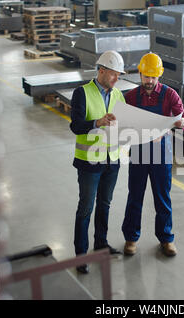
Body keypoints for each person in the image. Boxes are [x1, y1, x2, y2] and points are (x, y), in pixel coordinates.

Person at [121, 52, 184, 257]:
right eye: (146, 76)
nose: (149, 81)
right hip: (139, 153)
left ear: (159, 76)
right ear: (140, 73)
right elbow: (124, 124)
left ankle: (166, 239)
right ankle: (131, 238)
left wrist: (179, 123)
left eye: (153, 77)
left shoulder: (170, 95)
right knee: (135, 196)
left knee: (162, 198)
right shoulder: (131, 97)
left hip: (161, 154)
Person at [70, 50, 126, 274]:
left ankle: (100, 243)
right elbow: (75, 126)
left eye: (118, 75)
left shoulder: (117, 95)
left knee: (105, 204)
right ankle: (80, 255)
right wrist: (98, 122)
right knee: (86, 208)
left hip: (112, 161)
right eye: (113, 74)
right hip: (89, 163)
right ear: (101, 71)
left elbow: (123, 125)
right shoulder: (82, 93)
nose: (116, 79)